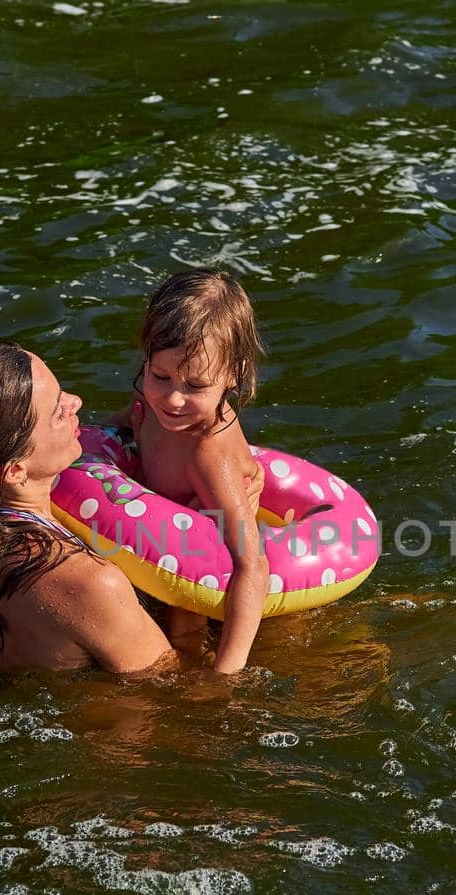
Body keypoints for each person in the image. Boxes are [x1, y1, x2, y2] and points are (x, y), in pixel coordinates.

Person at [0, 340, 176, 680]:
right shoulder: (90, 582)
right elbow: (166, 682)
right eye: (57, 411)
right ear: (15, 470)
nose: (75, 402)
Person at [121, 269, 269, 675]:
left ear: (234, 374)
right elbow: (110, 433)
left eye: (196, 385)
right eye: (160, 376)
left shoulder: (208, 452)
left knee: (182, 630)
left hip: (204, 560)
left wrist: (229, 671)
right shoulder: (147, 403)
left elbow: (252, 563)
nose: (171, 398)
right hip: (159, 538)